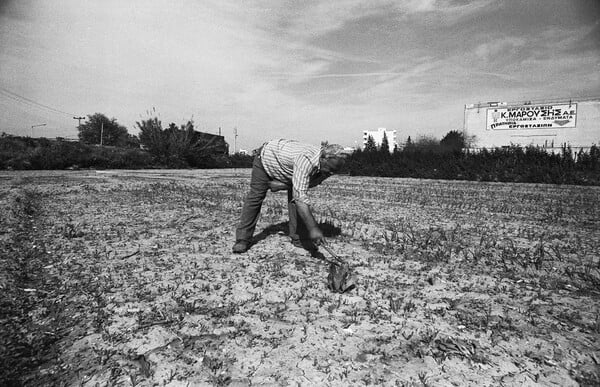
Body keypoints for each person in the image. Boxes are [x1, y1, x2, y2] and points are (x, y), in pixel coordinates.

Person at [232, 139, 350, 253]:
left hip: (288, 170)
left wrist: (283, 185)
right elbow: (301, 199)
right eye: (330, 169)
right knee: (255, 197)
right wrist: (313, 229)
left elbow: (309, 184)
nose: (330, 174)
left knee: (296, 198)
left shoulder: (328, 166)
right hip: (266, 159)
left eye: (334, 171)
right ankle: (243, 239)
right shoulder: (306, 160)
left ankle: (299, 238)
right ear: (323, 158)